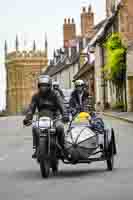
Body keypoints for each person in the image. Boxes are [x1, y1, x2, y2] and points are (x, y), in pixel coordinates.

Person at [23, 75, 68, 158]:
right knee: (35, 128)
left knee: (60, 127)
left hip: (55, 117)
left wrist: (65, 115)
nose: (43, 88)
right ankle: (37, 148)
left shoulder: (55, 94)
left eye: (45, 85)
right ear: (39, 86)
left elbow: (62, 105)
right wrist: (27, 119)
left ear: (49, 86)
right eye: (41, 85)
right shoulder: (36, 96)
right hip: (41, 118)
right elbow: (31, 108)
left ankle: (63, 147)